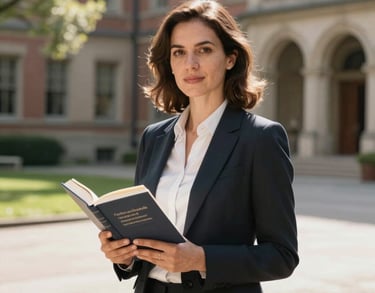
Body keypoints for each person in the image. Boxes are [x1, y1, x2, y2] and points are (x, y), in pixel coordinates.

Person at [99, 0, 299, 292]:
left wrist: (201, 259)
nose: (190, 64)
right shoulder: (153, 138)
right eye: (179, 52)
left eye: (204, 50)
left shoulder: (260, 139)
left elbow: (282, 257)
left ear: (230, 58)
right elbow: (144, 244)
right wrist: (124, 256)